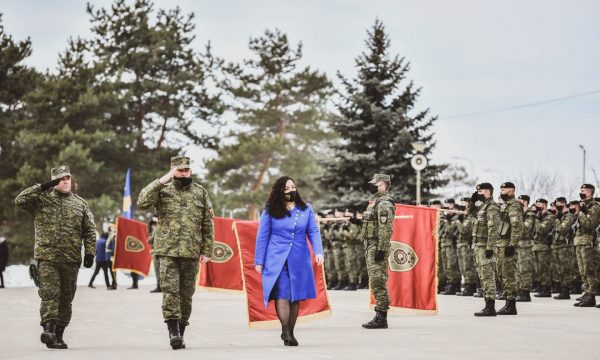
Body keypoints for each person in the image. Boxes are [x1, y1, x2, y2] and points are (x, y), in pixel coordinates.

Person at [14, 165, 96, 349]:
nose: (65, 181)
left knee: (66, 299)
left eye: (67, 178)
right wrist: (43, 186)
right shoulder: (41, 200)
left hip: (71, 259)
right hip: (47, 257)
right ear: (54, 181)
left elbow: (89, 231)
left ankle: (58, 334)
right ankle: (48, 330)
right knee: (50, 295)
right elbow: (20, 200)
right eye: (60, 179)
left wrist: (90, 252)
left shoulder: (80, 204)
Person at [137, 156, 214, 350]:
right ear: (172, 172)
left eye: (186, 170)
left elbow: (207, 223)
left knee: (186, 295)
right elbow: (142, 202)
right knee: (170, 292)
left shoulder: (200, 193)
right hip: (168, 251)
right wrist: (162, 180)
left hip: (191, 252)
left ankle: (180, 331)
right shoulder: (162, 191)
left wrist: (207, 250)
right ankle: (173, 333)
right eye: (179, 170)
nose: (184, 173)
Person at [254, 176, 324, 346]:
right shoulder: (271, 209)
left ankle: (289, 332)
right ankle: (285, 330)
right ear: (280, 191)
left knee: (295, 296)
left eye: (293, 186)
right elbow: (262, 236)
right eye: (287, 188)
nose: (291, 190)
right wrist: (259, 261)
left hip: (299, 258)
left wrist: (318, 252)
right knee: (283, 294)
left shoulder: (306, 208)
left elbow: (313, 232)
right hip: (277, 259)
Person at [361, 174, 395, 329]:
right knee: (375, 280)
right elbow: (371, 224)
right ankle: (380, 315)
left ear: (382, 185)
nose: (372, 186)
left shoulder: (384, 204)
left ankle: (382, 316)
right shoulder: (376, 203)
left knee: (378, 280)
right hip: (371, 244)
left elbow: (385, 229)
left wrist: (381, 249)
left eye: (375, 184)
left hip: (377, 246)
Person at [469, 182, 500, 317]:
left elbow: (493, 228)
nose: (479, 193)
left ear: (488, 191)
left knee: (488, 276)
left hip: (485, 246)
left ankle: (491, 306)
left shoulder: (492, 207)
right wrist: (472, 202)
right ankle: (487, 304)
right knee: (482, 276)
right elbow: (470, 216)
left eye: (481, 191)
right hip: (478, 246)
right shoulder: (482, 206)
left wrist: (490, 247)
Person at [496, 182, 523, 315]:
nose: (502, 192)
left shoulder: (514, 205)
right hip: (501, 243)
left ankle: (511, 304)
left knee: (508, 274)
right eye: (501, 189)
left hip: (507, 244)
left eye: (504, 190)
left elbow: (516, 226)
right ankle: (507, 301)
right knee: (501, 273)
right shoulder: (505, 205)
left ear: (511, 191)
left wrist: (512, 244)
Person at [572, 184, 600, 307]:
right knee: (583, 270)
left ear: (590, 192)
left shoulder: (593, 207)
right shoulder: (584, 206)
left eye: (583, 191)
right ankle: (587, 293)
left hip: (587, 242)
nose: (581, 193)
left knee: (589, 270)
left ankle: (592, 295)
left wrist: (581, 213)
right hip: (579, 241)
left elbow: (589, 225)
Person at [551, 197, 576, 300]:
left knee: (565, 270)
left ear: (563, 204)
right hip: (557, 246)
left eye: (558, 204)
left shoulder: (568, 216)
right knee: (559, 270)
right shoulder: (560, 216)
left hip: (565, 247)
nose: (556, 206)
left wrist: (557, 219)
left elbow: (562, 229)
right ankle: (562, 290)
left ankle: (566, 291)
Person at [532, 199, 555, 298]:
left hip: (543, 246)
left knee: (544, 268)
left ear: (545, 205)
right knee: (538, 269)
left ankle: (546, 289)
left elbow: (541, 229)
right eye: (536, 203)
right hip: (536, 245)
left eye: (539, 204)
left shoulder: (549, 217)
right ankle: (541, 287)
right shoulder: (538, 216)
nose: (537, 205)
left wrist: (536, 219)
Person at [515, 195, 536, 302]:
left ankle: (525, 292)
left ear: (526, 202)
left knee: (525, 270)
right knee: (518, 270)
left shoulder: (530, 214)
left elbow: (525, 229)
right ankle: (519, 290)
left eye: (520, 201)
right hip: (517, 245)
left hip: (525, 245)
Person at [148, 216, 161, 293]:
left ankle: (159, 286)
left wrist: (149, 239)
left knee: (158, 271)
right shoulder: (155, 230)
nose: (152, 226)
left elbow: (151, 240)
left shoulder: (156, 230)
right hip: (157, 252)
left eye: (153, 224)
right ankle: (160, 285)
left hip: (157, 252)